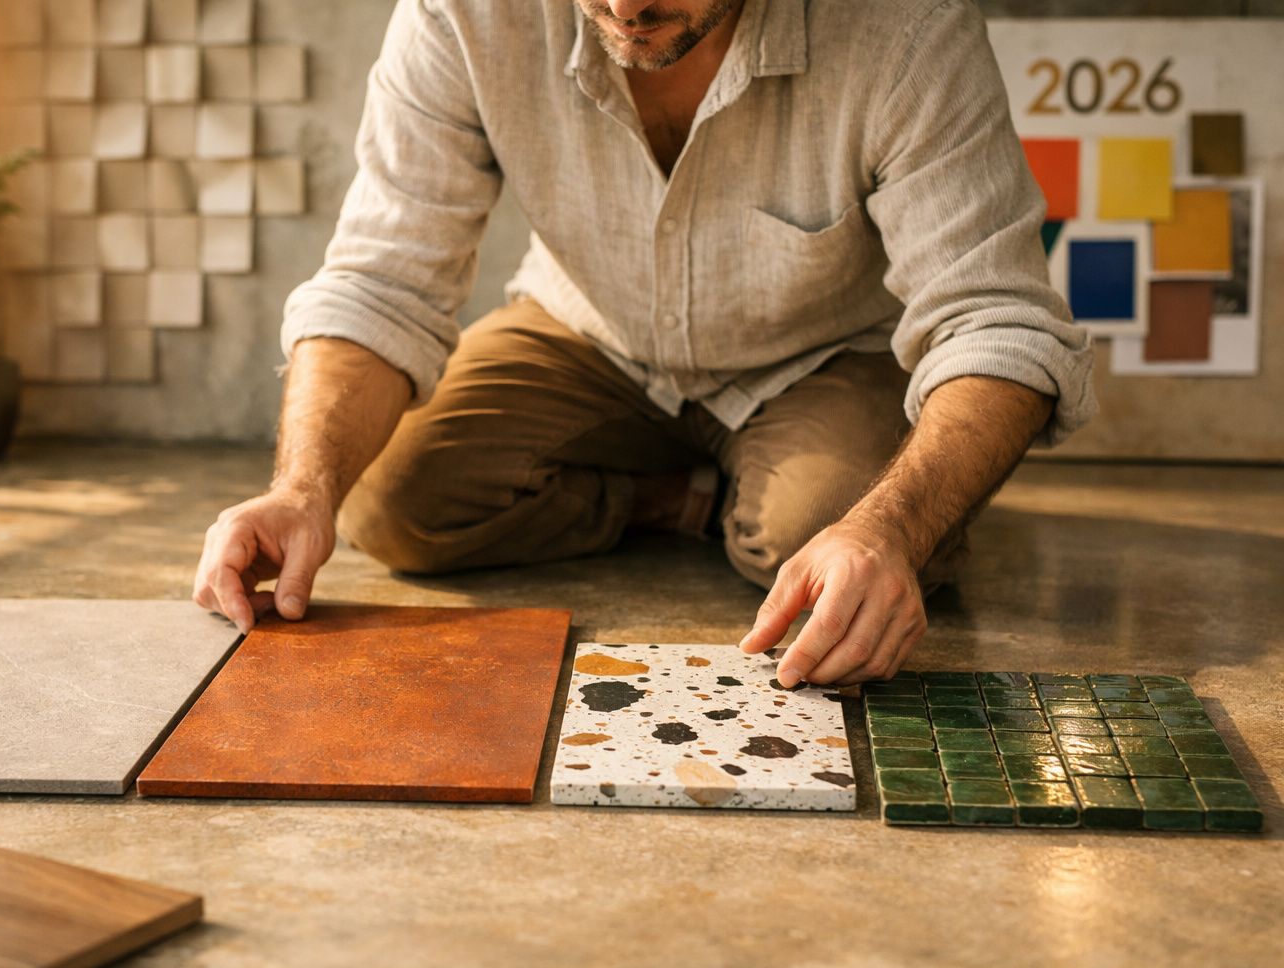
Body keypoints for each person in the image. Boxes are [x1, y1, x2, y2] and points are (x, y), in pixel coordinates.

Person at [192, 0, 1095, 687]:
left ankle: (823, 508)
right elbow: (382, 279)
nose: (626, 5)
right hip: (588, 331)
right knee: (388, 499)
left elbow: (997, 319)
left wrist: (889, 527)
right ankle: (689, 499)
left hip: (824, 352)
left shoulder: (908, 29)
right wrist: (299, 489)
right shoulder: (461, 14)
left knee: (828, 554)